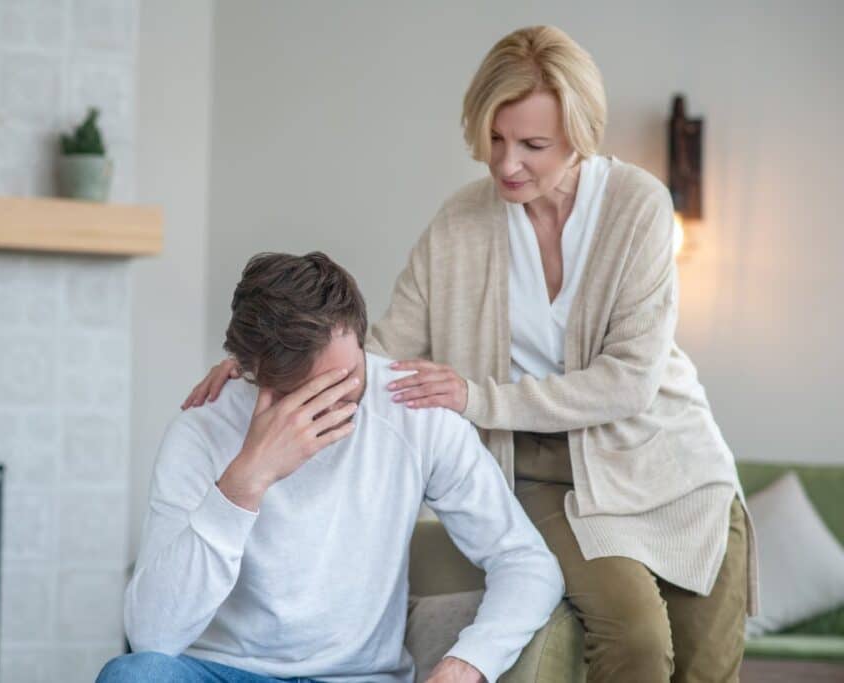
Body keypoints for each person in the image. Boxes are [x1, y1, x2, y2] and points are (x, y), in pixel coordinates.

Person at [183, 26, 756, 683]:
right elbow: (382, 348)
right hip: (537, 466)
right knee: (637, 640)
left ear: (580, 134)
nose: (507, 163)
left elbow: (628, 382)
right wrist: (268, 363)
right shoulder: (460, 223)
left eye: (533, 145)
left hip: (666, 457)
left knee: (707, 667)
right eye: (495, 138)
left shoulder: (639, 208)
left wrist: (473, 396)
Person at [101, 252, 564, 683]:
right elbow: (152, 639)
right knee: (132, 675)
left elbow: (527, 563)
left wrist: (469, 663)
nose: (335, 404)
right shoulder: (202, 428)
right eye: (307, 394)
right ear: (251, 371)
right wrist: (245, 481)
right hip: (220, 671)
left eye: (348, 381)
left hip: (356, 678)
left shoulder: (416, 414)